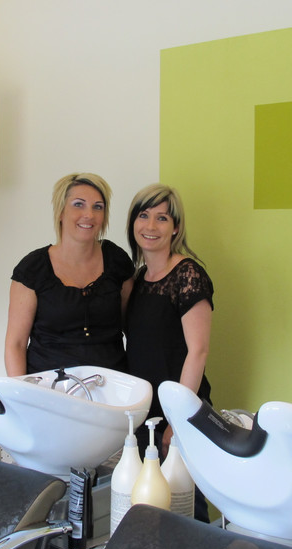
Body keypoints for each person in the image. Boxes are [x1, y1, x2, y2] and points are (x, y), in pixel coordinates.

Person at [124, 183, 213, 521]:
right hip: (144, 413)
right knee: (147, 510)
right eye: (144, 215)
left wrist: (177, 420)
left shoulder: (188, 275)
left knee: (185, 509)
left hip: (179, 412)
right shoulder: (138, 279)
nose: (151, 226)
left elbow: (198, 351)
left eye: (162, 218)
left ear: (175, 227)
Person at [5, 173, 135, 376]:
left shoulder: (117, 260)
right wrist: (20, 393)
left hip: (112, 386)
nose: (89, 214)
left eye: (98, 207)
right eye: (78, 204)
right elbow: (16, 344)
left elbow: (132, 328)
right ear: (60, 212)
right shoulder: (33, 269)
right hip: (49, 389)